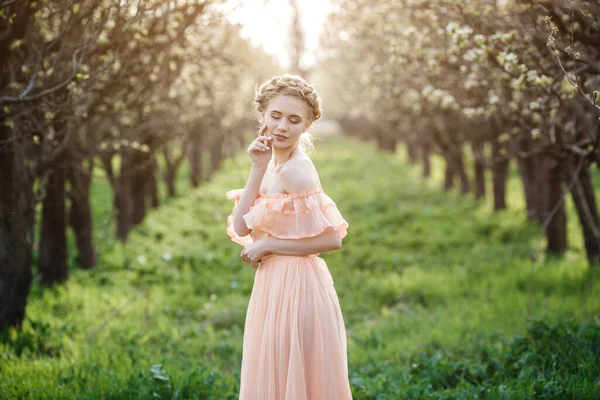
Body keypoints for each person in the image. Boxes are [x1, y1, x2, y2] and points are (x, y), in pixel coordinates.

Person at [225, 74, 353, 400]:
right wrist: (256, 167)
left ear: (306, 126)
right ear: (263, 117)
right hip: (272, 285)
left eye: (294, 120)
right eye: (276, 116)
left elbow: (332, 239)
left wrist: (268, 244)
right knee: (273, 376)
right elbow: (241, 228)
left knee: (293, 378)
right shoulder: (269, 165)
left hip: (297, 287)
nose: (282, 126)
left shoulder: (298, 169)